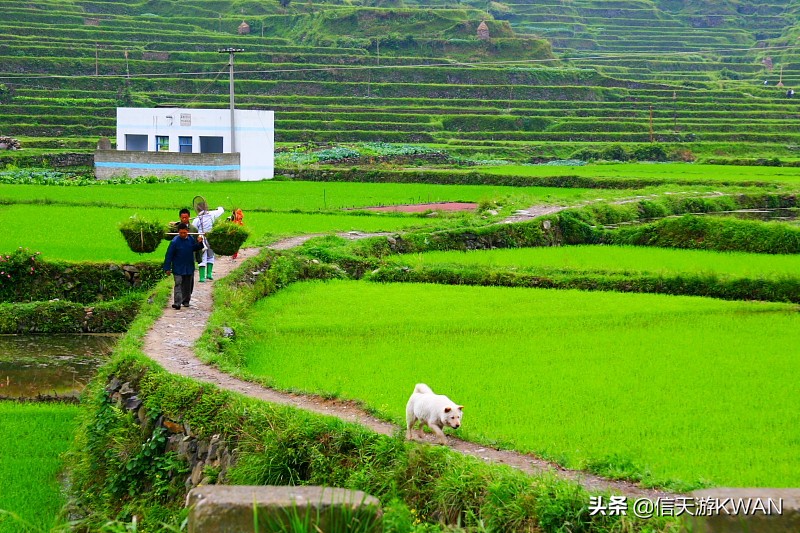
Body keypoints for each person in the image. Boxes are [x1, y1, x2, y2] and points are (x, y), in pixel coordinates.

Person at [163, 223, 204, 310]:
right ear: (178, 232)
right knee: (178, 284)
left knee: (187, 285)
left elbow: (195, 248)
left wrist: (200, 243)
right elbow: (169, 255)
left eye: (184, 233)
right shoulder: (174, 242)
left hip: (188, 266)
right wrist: (167, 268)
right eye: (181, 233)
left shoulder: (191, 239)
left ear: (187, 232)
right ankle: (177, 302)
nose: (183, 234)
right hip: (178, 267)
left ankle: (186, 301)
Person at [192, 201, 225, 282]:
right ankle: (209, 274)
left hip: (201, 239)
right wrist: (219, 207)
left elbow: (193, 229)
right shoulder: (213, 214)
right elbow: (221, 210)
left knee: (202, 257)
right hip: (211, 238)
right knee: (211, 255)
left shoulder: (197, 219)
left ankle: (202, 277)